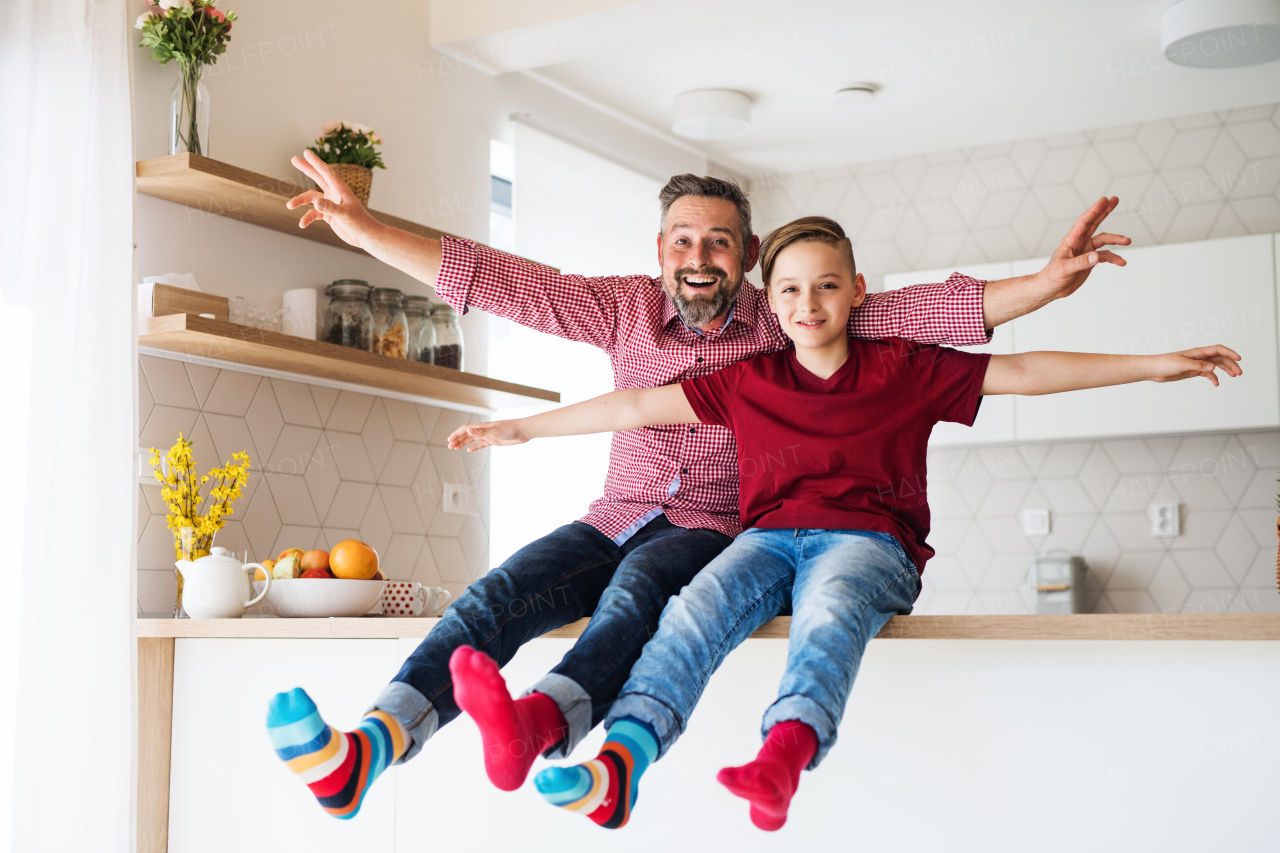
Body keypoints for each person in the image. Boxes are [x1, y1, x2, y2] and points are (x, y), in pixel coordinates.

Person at [266, 150, 1133, 820]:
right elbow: (503, 282)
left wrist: (1051, 281)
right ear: (659, 250)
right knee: (496, 596)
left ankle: (549, 728)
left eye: (719, 241)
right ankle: (366, 751)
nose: (699, 255)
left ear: (749, 255)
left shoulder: (793, 312)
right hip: (613, 515)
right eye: (682, 239)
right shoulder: (620, 307)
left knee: (639, 595)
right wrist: (366, 230)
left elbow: (944, 314)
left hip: (716, 528)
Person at [444, 216, 1240, 831]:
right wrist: (522, 430)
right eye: (788, 290)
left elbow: (1026, 370)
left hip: (869, 543)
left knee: (828, 608)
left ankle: (782, 758)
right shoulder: (749, 378)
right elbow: (631, 405)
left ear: (858, 290)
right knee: (692, 609)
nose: (806, 304)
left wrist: (1154, 363)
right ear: (771, 301)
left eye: (825, 286)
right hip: (764, 540)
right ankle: (614, 758)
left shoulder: (907, 366)